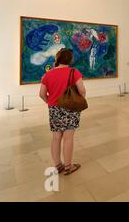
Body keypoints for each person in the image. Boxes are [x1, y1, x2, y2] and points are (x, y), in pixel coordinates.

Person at [39, 48, 86, 176]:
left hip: (54, 108)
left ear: (57, 59)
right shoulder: (74, 72)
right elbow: (82, 90)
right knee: (68, 138)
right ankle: (68, 166)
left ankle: (58, 165)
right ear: (70, 59)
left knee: (56, 138)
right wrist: (81, 98)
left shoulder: (48, 74)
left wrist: (51, 102)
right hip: (70, 107)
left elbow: (41, 94)